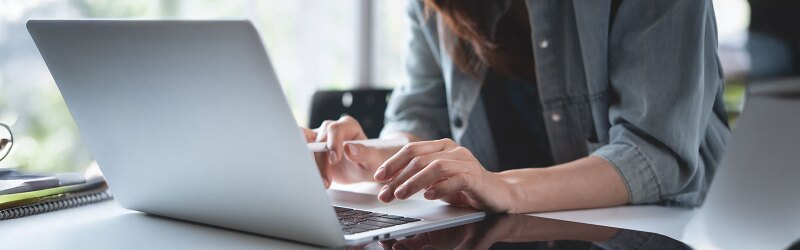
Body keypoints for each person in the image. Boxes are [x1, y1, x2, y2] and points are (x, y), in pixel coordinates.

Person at [302, 0, 730, 213]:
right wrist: (373, 157)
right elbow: (422, 112)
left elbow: (655, 152)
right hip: (509, 229)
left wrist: (505, 188)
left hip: (672, 226)